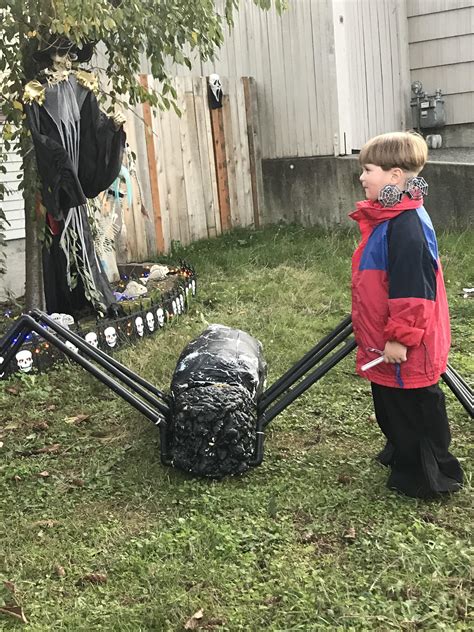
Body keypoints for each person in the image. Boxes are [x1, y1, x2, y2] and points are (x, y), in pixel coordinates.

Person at [350, 131, 463, 498]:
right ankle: (401, 450)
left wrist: (400, 337)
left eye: (368, 170)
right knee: (390, 403)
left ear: (395, 176)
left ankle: (427, 474)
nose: (363, 178)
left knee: (413, 407)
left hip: (407, 341)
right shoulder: (391, 217)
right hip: (388, 335)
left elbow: (414, 291)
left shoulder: (407, 226)